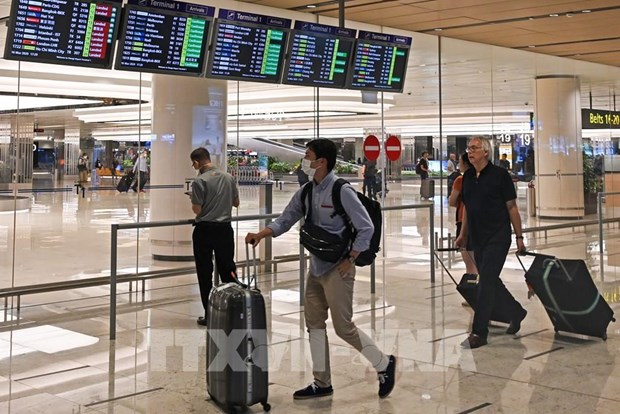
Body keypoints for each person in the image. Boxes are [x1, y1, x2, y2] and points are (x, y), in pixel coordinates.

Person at [245, 139, 396, 400]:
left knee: (343, 327)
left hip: (339, 269)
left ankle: (384, 364)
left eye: (308, 156)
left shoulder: (341, 190)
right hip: (315, 268)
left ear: (322, 161)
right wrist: (262, 234)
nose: (304, 160)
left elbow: (366, 227)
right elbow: (286, 218)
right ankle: (321, 381)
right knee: (314, 324)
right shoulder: (306, 191)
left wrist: (351, 258)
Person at [455, 136, 527, 349]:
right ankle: (516, 311)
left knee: (485, 282)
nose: (470, 151)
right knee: (490, 278)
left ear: (486, 152)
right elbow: (468, 208)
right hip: (477, 237)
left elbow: (512, 207)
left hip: (498, 236)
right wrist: (463, 235)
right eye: (469, 148)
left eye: (475, 148)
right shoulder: (467, 176)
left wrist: (520, 237)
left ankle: (479, 332)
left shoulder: (499, 175)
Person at [189, 147, 240, 326]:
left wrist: (195, 199)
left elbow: (197, 209)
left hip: (204, 230)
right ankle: (234, 311)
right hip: (225, 230)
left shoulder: (199, 181)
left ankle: (210, 314)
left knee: (205, 273)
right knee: (228, 269)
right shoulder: (228, 177)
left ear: (197, 162)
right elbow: (236, 203)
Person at [448, 152, 479, 282]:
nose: (458, 164)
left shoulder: (461, 180)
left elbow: (452, 200)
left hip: (463, 221)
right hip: (478, 221)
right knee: (477, 259)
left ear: (465, 163)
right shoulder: (479, 178)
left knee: (469, 260)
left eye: (460, 162)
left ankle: (473, 291)